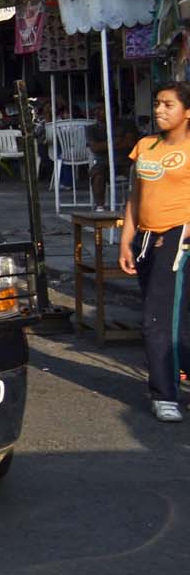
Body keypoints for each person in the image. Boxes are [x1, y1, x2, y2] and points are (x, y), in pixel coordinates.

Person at [119, 82, 190, 422]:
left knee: (157, 319)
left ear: (187, 112)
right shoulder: (145, 146)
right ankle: (177, 377)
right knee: (175, 317)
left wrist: (184, 231)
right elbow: (136, 196)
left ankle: (164, 395)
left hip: (176, 237)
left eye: (168, 105)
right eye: (158, 103)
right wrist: (125, 239)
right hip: (144, 238)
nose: (159, 110)